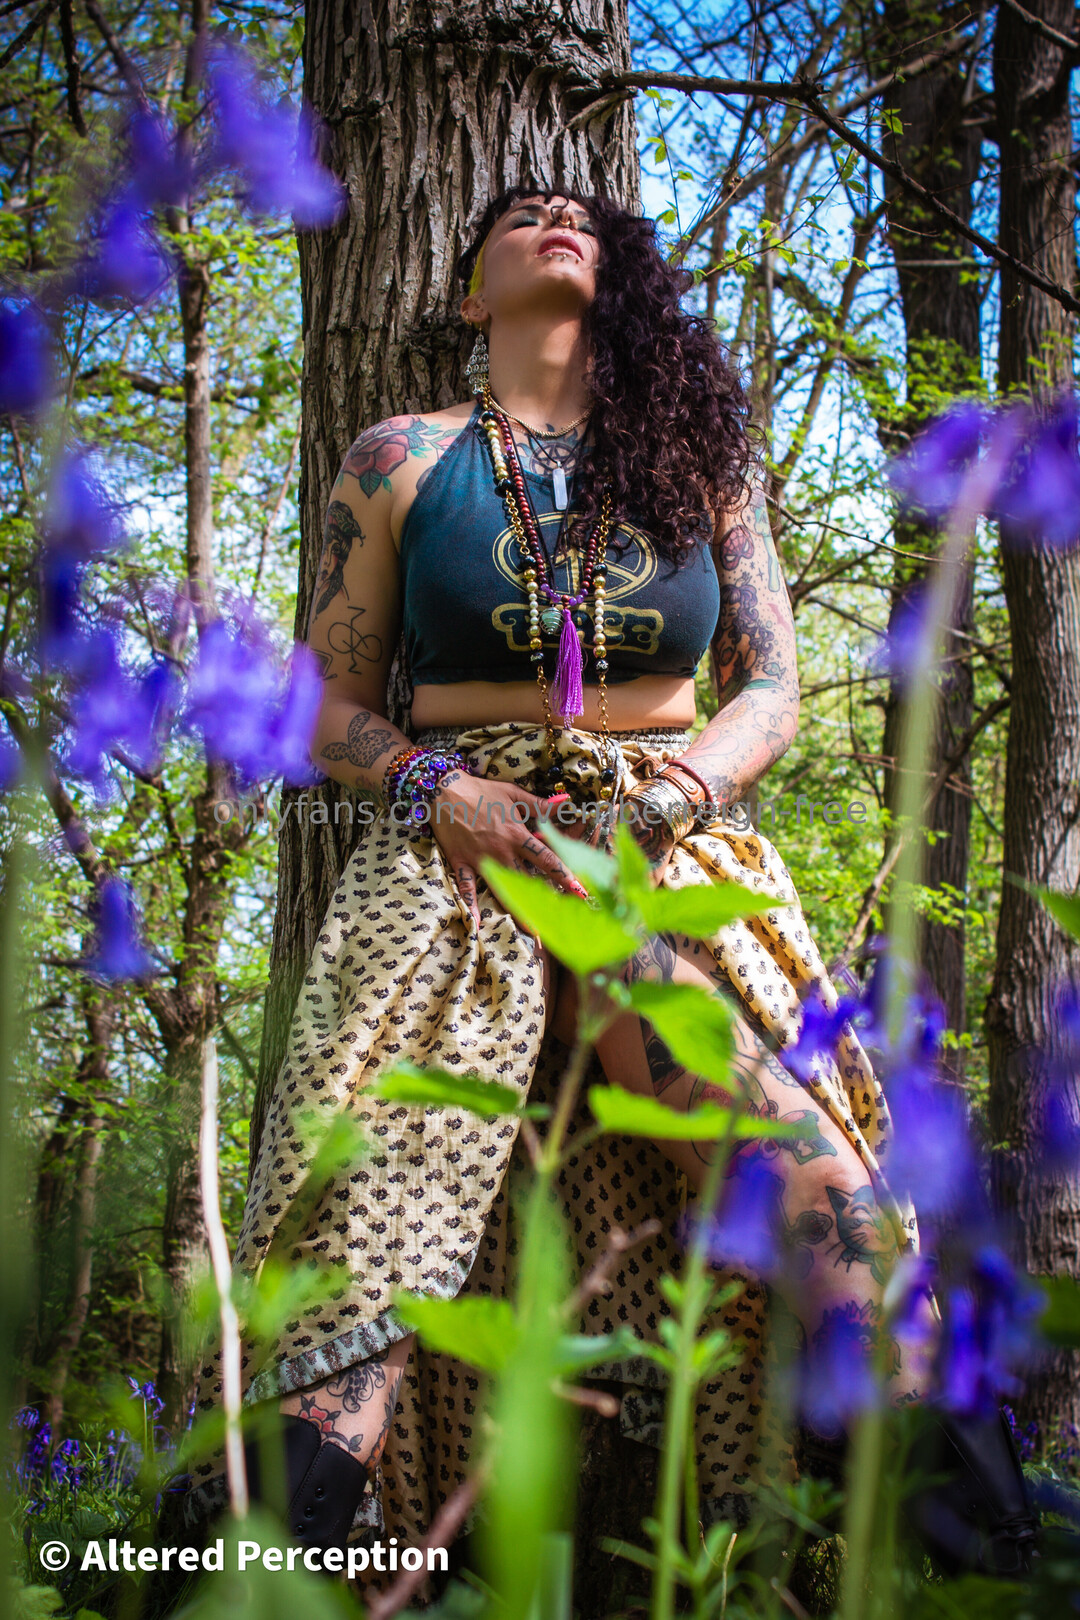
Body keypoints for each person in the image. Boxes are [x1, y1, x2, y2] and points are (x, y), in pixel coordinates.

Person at [185, 186, 1036, 1582]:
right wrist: (438, 789)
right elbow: (322, 700)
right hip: (455, 860)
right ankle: (251, 1572)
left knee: (804, 1158)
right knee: (365, 1227)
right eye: (520, 213)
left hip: (670, 849)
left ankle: (978, 1539)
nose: (555, 215)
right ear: (473, 293)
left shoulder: (700, 461)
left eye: (579, 212)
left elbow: (774, 687)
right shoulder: (401, 455)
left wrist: (670, 800)